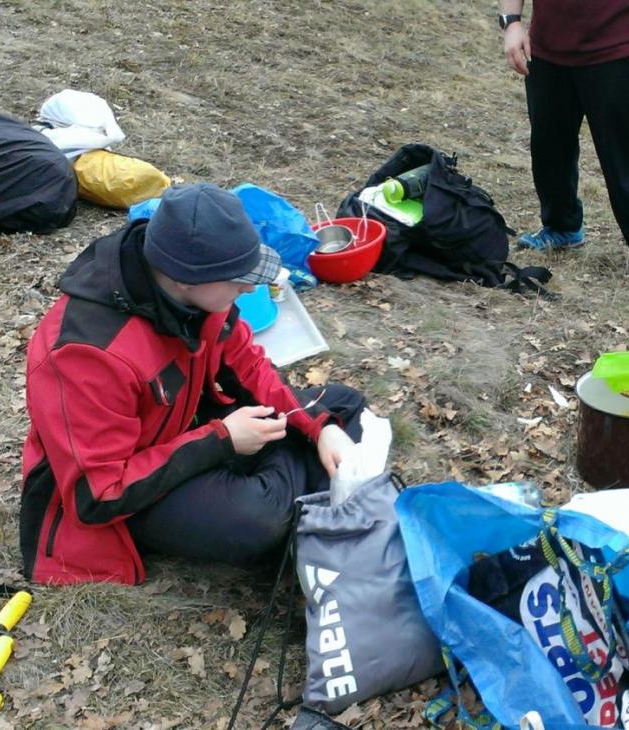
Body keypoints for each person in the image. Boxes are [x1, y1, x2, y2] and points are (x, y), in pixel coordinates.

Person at [19, 183, 369, 585]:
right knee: (257, 521)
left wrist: (317, 426)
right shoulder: (88, 353)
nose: (250, 288)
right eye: (238, 278)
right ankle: (308, 489)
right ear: (187, 278)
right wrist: (221, 439)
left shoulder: (194, 294)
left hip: (183, 431)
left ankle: (302, 484)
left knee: (340, 404)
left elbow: (248, 366)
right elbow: (98, 496)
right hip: (130, 493)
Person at [498, 0, 629, 295]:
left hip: (620, 47)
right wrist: (511, 22)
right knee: (549, 147)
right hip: (548, 48)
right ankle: (562, 227)